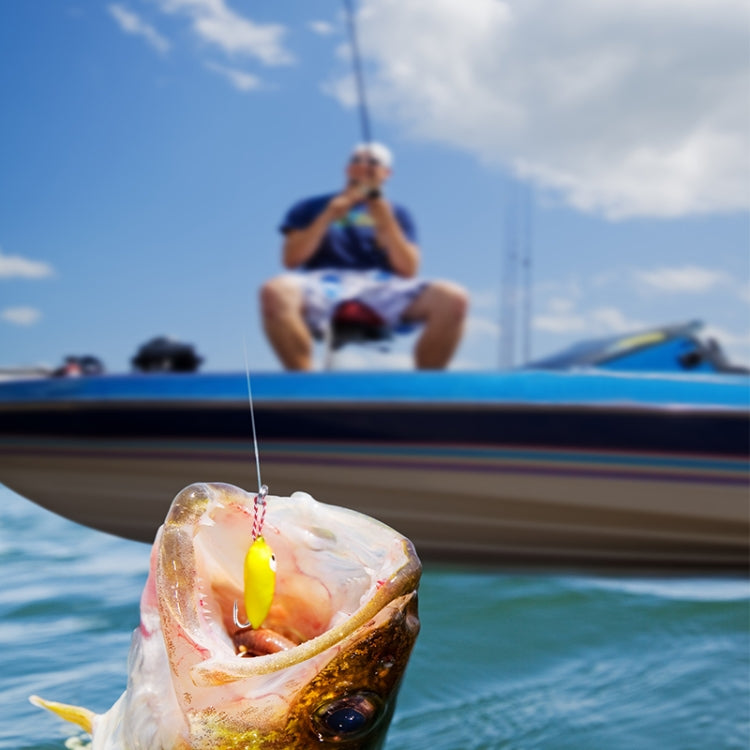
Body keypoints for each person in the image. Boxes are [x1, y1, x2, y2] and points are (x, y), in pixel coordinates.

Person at [260, 143, 468, 370]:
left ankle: (428, 391)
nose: (363, 166)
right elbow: (291, 260)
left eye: (373, 162)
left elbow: (408, 270)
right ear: (347, 168)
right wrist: (328, 215)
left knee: (453, 298)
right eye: (357, 160)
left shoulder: (398, 213)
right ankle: (303, 385)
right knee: (274, 291)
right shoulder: (309, 206)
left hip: (382, 285)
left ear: (386, 173)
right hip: (322, 282)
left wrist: (387, 222)